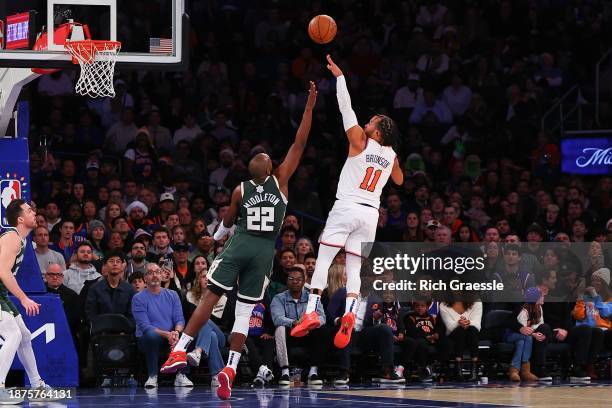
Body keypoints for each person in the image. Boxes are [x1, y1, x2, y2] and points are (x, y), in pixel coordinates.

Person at [160, 81, 317, 400]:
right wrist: (310, 107)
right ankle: (230, 367)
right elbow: (300, 142)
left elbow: (226, 223)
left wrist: (215, 238)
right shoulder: (281, 181)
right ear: (271, 168)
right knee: (244, 314)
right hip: (264, 252)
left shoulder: (240, 190)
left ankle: (180, 349)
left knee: (208, 297)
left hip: (240, 243)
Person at [293, 56, 403, 350]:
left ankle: (311, 312)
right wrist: (389, 152)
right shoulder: (390, 155)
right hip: (370, 215)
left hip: (347, 207)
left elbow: (346, 108)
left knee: (325, 259)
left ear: (376, 132)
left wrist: (340, 77)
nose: (366, 123)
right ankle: (350, 314)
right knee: (354, 268)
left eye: (372, 123)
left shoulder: (360, 140)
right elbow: (401, 180)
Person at [0, 199, 56, 403]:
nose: (35, 213)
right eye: (29, 210)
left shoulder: (21, 240)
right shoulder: (12, 237)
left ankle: (37, 385)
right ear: (20, 218)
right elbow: (3, 272)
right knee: (13, 334)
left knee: (24, 335)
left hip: (1, 294)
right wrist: (23, 298)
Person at [132, 263, 193, 388]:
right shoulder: (138, 298)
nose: (154, 275)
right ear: (145, 278)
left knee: (185, 336)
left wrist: (176, 332)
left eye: (157, 272)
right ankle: (152, 376)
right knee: (151, 336)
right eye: (150, 273)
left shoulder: (173, 294)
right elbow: (145, 326)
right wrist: (167, 334)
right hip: (148, 337)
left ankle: (181, 375)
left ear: (162, 275)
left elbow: (179, 319)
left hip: (170, 335)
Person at [505, 287, 541, 382]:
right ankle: (525, 368)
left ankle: (515, 371)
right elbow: (524, 330)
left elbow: (536, 326)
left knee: (521, 342)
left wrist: (535, 333)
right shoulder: (523, 309)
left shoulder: (537, 309)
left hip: (521, 337)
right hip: (511, 335)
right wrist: (533, 334)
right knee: (528, 338)